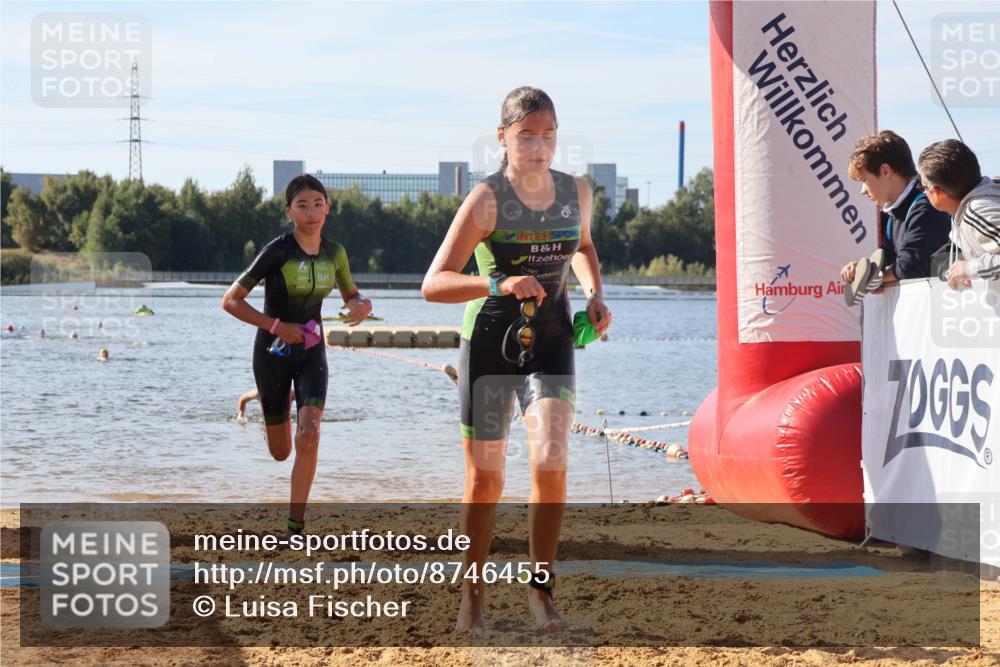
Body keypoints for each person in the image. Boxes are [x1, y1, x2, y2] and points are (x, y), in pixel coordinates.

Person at [422, 86, 612, 634]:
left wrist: (595, 294)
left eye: (548, 135)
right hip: (487, 343)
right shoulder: (485, 199)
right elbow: (433, 284)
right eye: (526, 135)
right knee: (486, 480)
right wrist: (497, 282)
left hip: (551, 340)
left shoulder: (576, 191)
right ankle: (473, 598)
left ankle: (540, 593)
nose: (538, 146)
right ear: (503, 136)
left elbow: (583, 247)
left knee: (550, 463)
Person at [221, 174, 372, 536]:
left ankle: (295, 524)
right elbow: (230, 300)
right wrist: (276, 327)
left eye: (318, 204)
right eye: (302, 205)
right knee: (280, 452)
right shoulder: (277, 251)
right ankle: (278, 403)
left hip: (311, 353)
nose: (311, 212)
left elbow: (352, 295)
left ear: (328, 208)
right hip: (272, 353)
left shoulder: (335, 253)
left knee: (310, 435)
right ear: (289, 211)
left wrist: (361, 306)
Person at [841, 131, 951, 305]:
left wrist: (874, 279)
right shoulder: (894, 214)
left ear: (885, 171)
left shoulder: (926, 206)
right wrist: (863, 271)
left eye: (864, 180)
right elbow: (890, 262)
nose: (863, 190)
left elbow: (910, 266)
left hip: (941, 318)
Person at [917, 139, 1000, 290]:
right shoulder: (967, 209)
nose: (924, 193)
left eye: (924, 187)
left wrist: (971, 268)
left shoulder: (977, 212)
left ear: (937, 191)